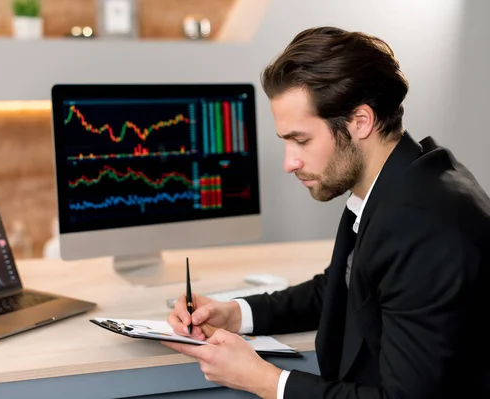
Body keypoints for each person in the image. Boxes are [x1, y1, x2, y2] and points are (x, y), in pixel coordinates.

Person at [163, 26, 490, 399]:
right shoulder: (405, 178)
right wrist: (236, 314)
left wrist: (265, 380)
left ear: (360, 122)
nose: (289, 162)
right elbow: (346, 287)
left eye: (301, 140)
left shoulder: (422, 224)